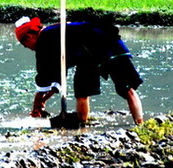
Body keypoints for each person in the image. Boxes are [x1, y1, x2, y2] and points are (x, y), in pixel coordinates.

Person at [14, 16, 144, 125]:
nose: (29, 48)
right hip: (87, 57)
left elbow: (44, 73)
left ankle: (140, 125)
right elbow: (57, 75)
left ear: (30, 36)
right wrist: (43, 100)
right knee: (81, 90)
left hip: (106, 46)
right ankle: (82, 125)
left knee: (126, 89)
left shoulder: (45, 38)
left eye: (25, 45)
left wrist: (38, 101)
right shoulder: (51, 37)